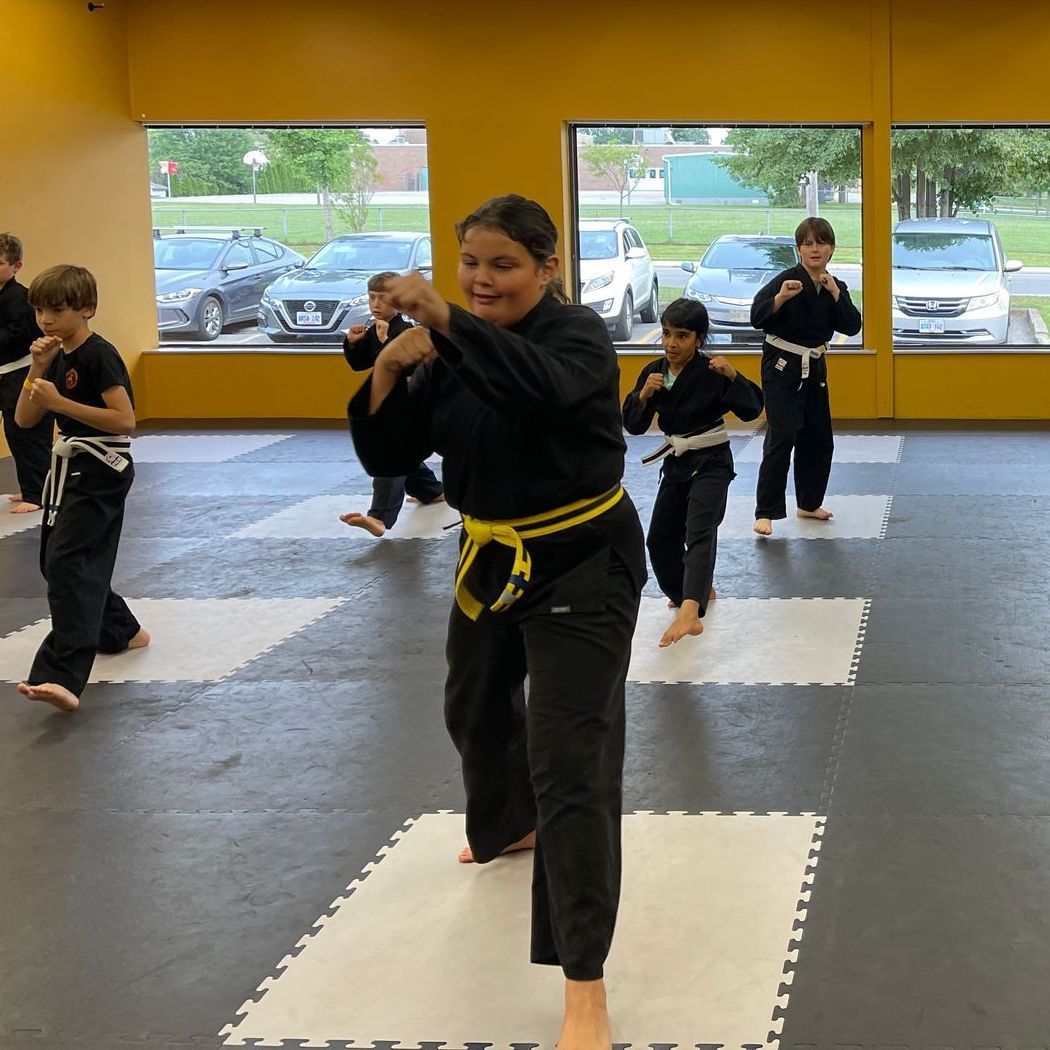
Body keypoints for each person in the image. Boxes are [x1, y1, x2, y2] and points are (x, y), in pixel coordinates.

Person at [349, 195, 646, 1050]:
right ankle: (508, 823)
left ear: (547, 268)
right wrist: (391, 369)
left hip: (585, 561)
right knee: (473, 712)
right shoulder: (445, 349)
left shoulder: (579, 337)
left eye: (503, 265)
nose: (482, 281)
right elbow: (390, 457)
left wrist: (444, 322)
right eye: (469, 264)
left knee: (572, 765)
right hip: (491, 559)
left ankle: (583, 981)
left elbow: (538, 390)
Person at [14, 265, 149, 713]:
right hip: (71, 468)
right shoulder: (55, 356)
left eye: (56, 309)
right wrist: (36, 369)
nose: (45, 319)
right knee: (57, 563)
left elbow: (125, 421)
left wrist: (60, 403)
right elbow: (24, 420)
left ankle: (63, 675)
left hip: (102, 468)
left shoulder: (99, 354)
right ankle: (122, 630)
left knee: (70, 563)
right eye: (39, 310)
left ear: (87, 308)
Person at [623, 298, 763, 647]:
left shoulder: (714, 371)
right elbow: (634, 426)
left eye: (682, 336)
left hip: (712, 461)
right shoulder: (654, 372)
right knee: (658, 539)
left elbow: (752, 410)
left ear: (699, 339)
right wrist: (642, 396)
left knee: (699, 530)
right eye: (667, 334)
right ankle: (691, 591)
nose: (671, 343)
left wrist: (734, 377)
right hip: (676, 463)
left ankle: (690, 611)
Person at [751, 217, 862, 536]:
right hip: (781, 364)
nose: (815, 249)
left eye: (822, 242)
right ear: (799, 249)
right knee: (782, 434)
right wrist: (781, 298)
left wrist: (836, 294)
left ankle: (809, 503)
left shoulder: (834, 285)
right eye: (808, 243)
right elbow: (756, 317)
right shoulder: (785, 281)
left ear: (832, 249)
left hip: (815, 366)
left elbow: (852, 326)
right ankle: (766, 511)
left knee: (818, 435)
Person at [339, 270, 444, 536]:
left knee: (391, 455)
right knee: (404, 454)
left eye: (383, 299)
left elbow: (412, 370)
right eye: (372, 297)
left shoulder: (408, 331)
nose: (376, 305)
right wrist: (353, 343)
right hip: (391, 406)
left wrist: (388, 342)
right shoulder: (373, 329)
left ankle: (380, 517)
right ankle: (431, 491)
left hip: (412, 405)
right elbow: (359, 365)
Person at [0, 233, 53, 514]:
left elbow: (14, 337)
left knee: (27, 431)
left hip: (24, 371)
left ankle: (37, 494)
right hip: (6, 374)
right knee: (14, 433)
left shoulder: (20, 298)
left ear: (16, 266)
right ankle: (32, 485)